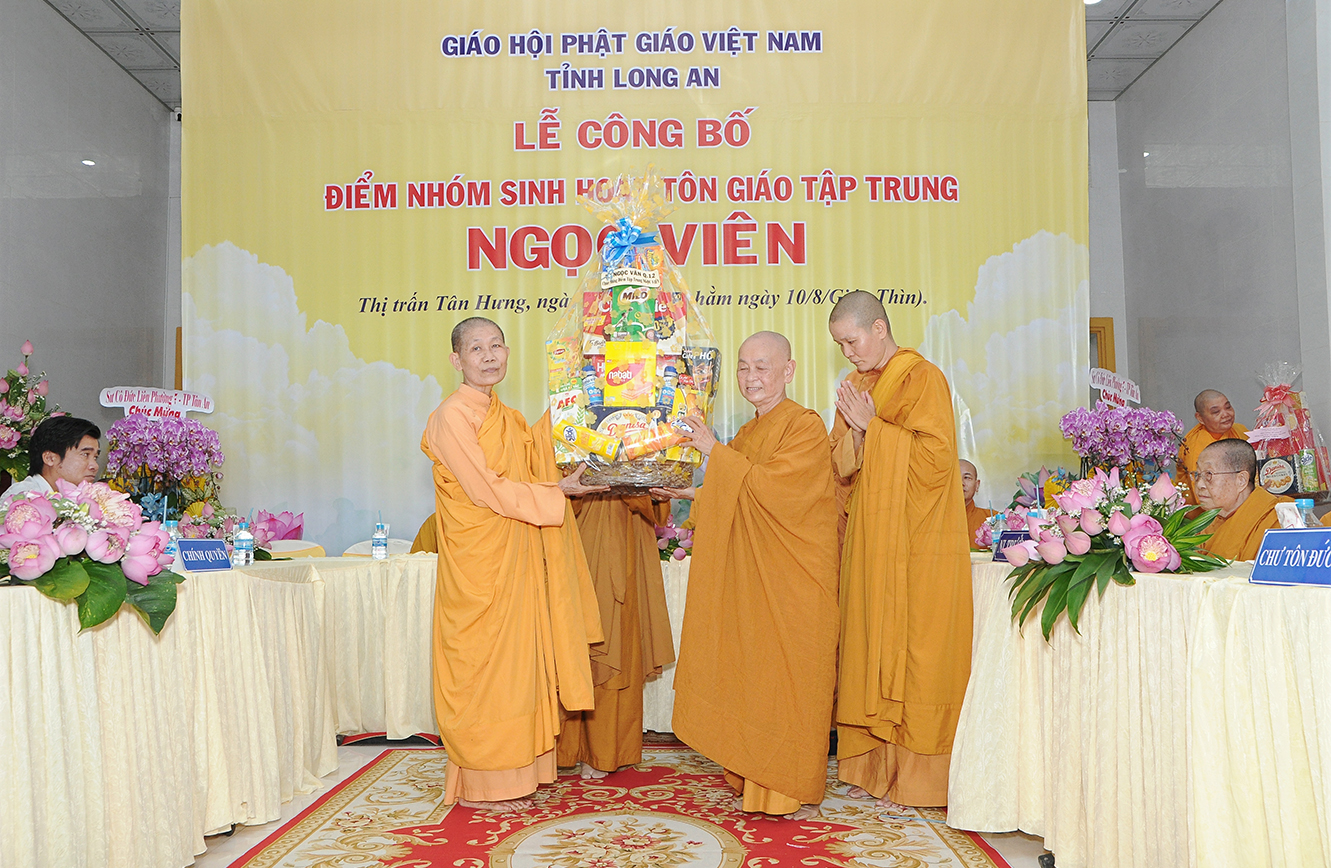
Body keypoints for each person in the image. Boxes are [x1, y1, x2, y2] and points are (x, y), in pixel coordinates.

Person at [421, 316, 606, 813]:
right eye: (476, 348)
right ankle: (485, 783)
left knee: (519, 670)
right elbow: (485, 488)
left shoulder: (507, 416)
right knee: (483, 671)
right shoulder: (452, 416)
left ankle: (522, 771)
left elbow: (533, 453)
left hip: (515, 557)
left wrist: (576, 398)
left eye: (496, 346)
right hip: (479, 568)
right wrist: (556, 493)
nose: (489, 355)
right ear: (457, 360)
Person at [654, 331, 839, 820]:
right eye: (742, 367)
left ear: (788, 370)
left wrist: (713, 450)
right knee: (752, 677)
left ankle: (785, 787)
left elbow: (776, 493)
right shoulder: (749, 434)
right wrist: (682, 490)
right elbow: (734, 489)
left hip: (794, 583)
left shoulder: (804, 425)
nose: (750, 377)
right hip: (756, 584)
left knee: (788, 683)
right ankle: (751, 775)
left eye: (761, 366)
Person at [827, 290, 973, 809]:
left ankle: (917, 779)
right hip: (871, 540)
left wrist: (874, 428)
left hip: (917, 544)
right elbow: (840, 465)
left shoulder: (923, 377)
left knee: (916, 654)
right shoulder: (856, 386)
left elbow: (937, 460)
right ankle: (872, 769)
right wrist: (856, 433)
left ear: (879, 328)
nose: (848, 353)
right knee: (869, 644)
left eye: (852, 341)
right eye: (840, 346)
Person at [555, 490, 675, 779]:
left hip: (627, 538)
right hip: (581, 533)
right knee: (580, 641)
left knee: (618, 641)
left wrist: (638, 482)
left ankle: (607, 751)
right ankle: (565, 749)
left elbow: (656, 505)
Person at [1195, 438, 1309, 560]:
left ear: (1241, 480)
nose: (1199, 484)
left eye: (1209, 474)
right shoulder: (1210, 522)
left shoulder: (1281, 516)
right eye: (1197, 474)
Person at [0, 415, 101, 509]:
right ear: (50, 458)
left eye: (95, 457)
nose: (95, 466)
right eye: (85, 454)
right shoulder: (23, 497)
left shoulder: (79, 500)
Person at [1177, 390, 1248, 505]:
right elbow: (1205, 496)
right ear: (1200, 418)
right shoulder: (1196, 448)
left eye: (1228, 407)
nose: (1226, 414)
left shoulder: (1240, 430)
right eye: (1216, 412)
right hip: (1210, 511)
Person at [961, 459, 995, 551]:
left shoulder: (992, 519)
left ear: (977, 485)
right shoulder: (934, 519)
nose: (961, 483)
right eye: (955, 477)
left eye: (967, 477)